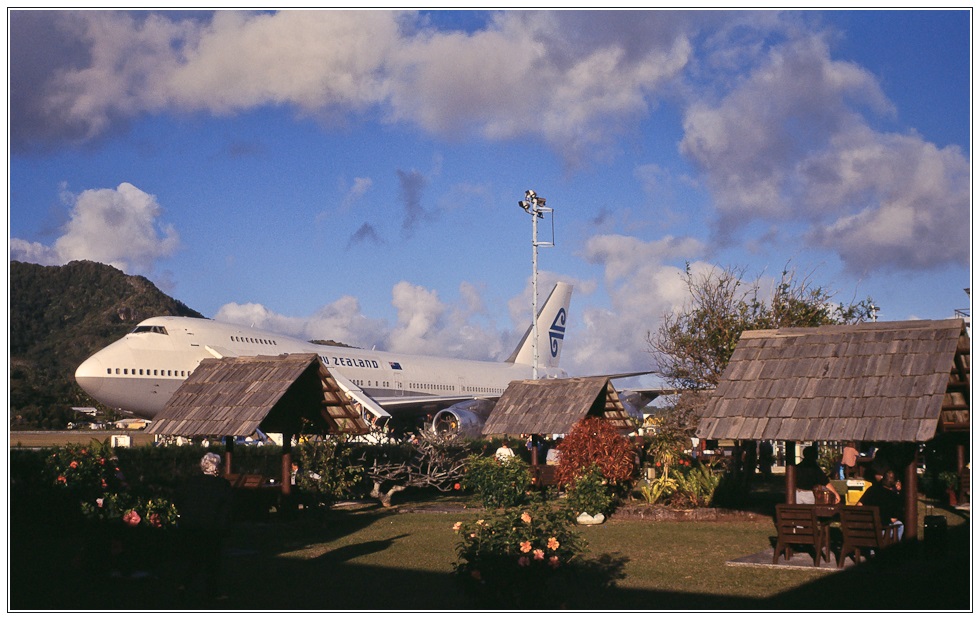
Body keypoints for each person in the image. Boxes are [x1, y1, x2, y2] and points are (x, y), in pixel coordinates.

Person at [175, 452, 233, 602]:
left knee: (194, 557)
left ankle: (183, 584)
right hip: (212, 528)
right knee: (213, 562)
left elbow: (178, 500)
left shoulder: (190, 482)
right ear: (216, 467)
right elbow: (227, 509)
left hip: (191, 525)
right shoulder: (222, 485)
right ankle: (212, 592)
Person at [857, 469, 905, 540]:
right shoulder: (894, 497)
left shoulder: (871, 489)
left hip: (865, 529)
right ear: (895, 483)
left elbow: (859, 505)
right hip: (880, 533)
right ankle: (895, 549)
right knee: (900, 525)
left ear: (883, 479)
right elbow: (893, 519)